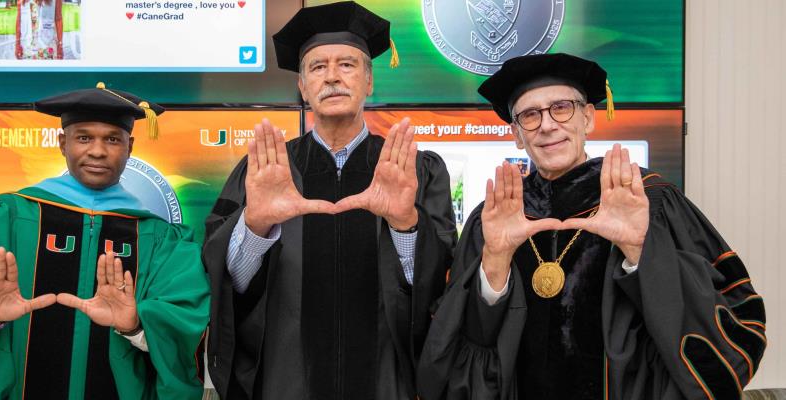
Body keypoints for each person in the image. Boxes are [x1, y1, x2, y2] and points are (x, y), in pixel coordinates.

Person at [417, 53, 766, 399]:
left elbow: (730, 311)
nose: (548, 125)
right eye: (529, 115)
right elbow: (463, 344)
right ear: (517, 135)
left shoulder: (648, 200)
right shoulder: (494, 217)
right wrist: (494, 265)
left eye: (561, 107)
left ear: (587, 117)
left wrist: (640, 253)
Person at [202, 2, 457, 399]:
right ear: (302, 86)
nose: (332, 77)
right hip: (286, 381)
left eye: (348, 65)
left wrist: (405, 226)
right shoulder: (267, 169)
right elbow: (226, 283)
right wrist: (255, 227)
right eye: (318, 67)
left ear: (369, 81)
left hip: (386, 381)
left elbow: (441, 282)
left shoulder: (412, 170)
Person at [0, 84, 211, 399]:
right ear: (62, 143)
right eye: (84, 137)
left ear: (129, 146)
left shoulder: (162, 241)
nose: (97, 151)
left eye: (112, 139)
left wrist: (137, 326)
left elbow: (186, 327)